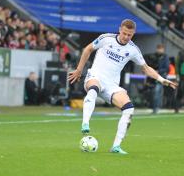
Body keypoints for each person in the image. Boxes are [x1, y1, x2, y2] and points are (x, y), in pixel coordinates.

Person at [68, 19, 177, 154]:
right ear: (120, 29)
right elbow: (88, 49)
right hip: (95, 77)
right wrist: (79, 70)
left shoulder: (133, 49)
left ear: (133, 33)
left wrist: (162, 79)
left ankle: (116, 147)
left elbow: (146, 68)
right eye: (124, 33)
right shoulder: (106, 38)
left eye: (129, 35)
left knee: (129, 109)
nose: (126, 37)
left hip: (111, 85)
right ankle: (85, 123)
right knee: (93, 90)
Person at [144, 44, 169, 114]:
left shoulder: (165, 57)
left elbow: (167, 68)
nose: (160, 50)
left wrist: (159, 71)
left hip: (162, 77)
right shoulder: (153, 56)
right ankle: (155, 107)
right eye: (159, 48)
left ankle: (157, 107)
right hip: (153, 77)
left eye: (161, 49)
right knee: (155, 92)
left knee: (158, 92)